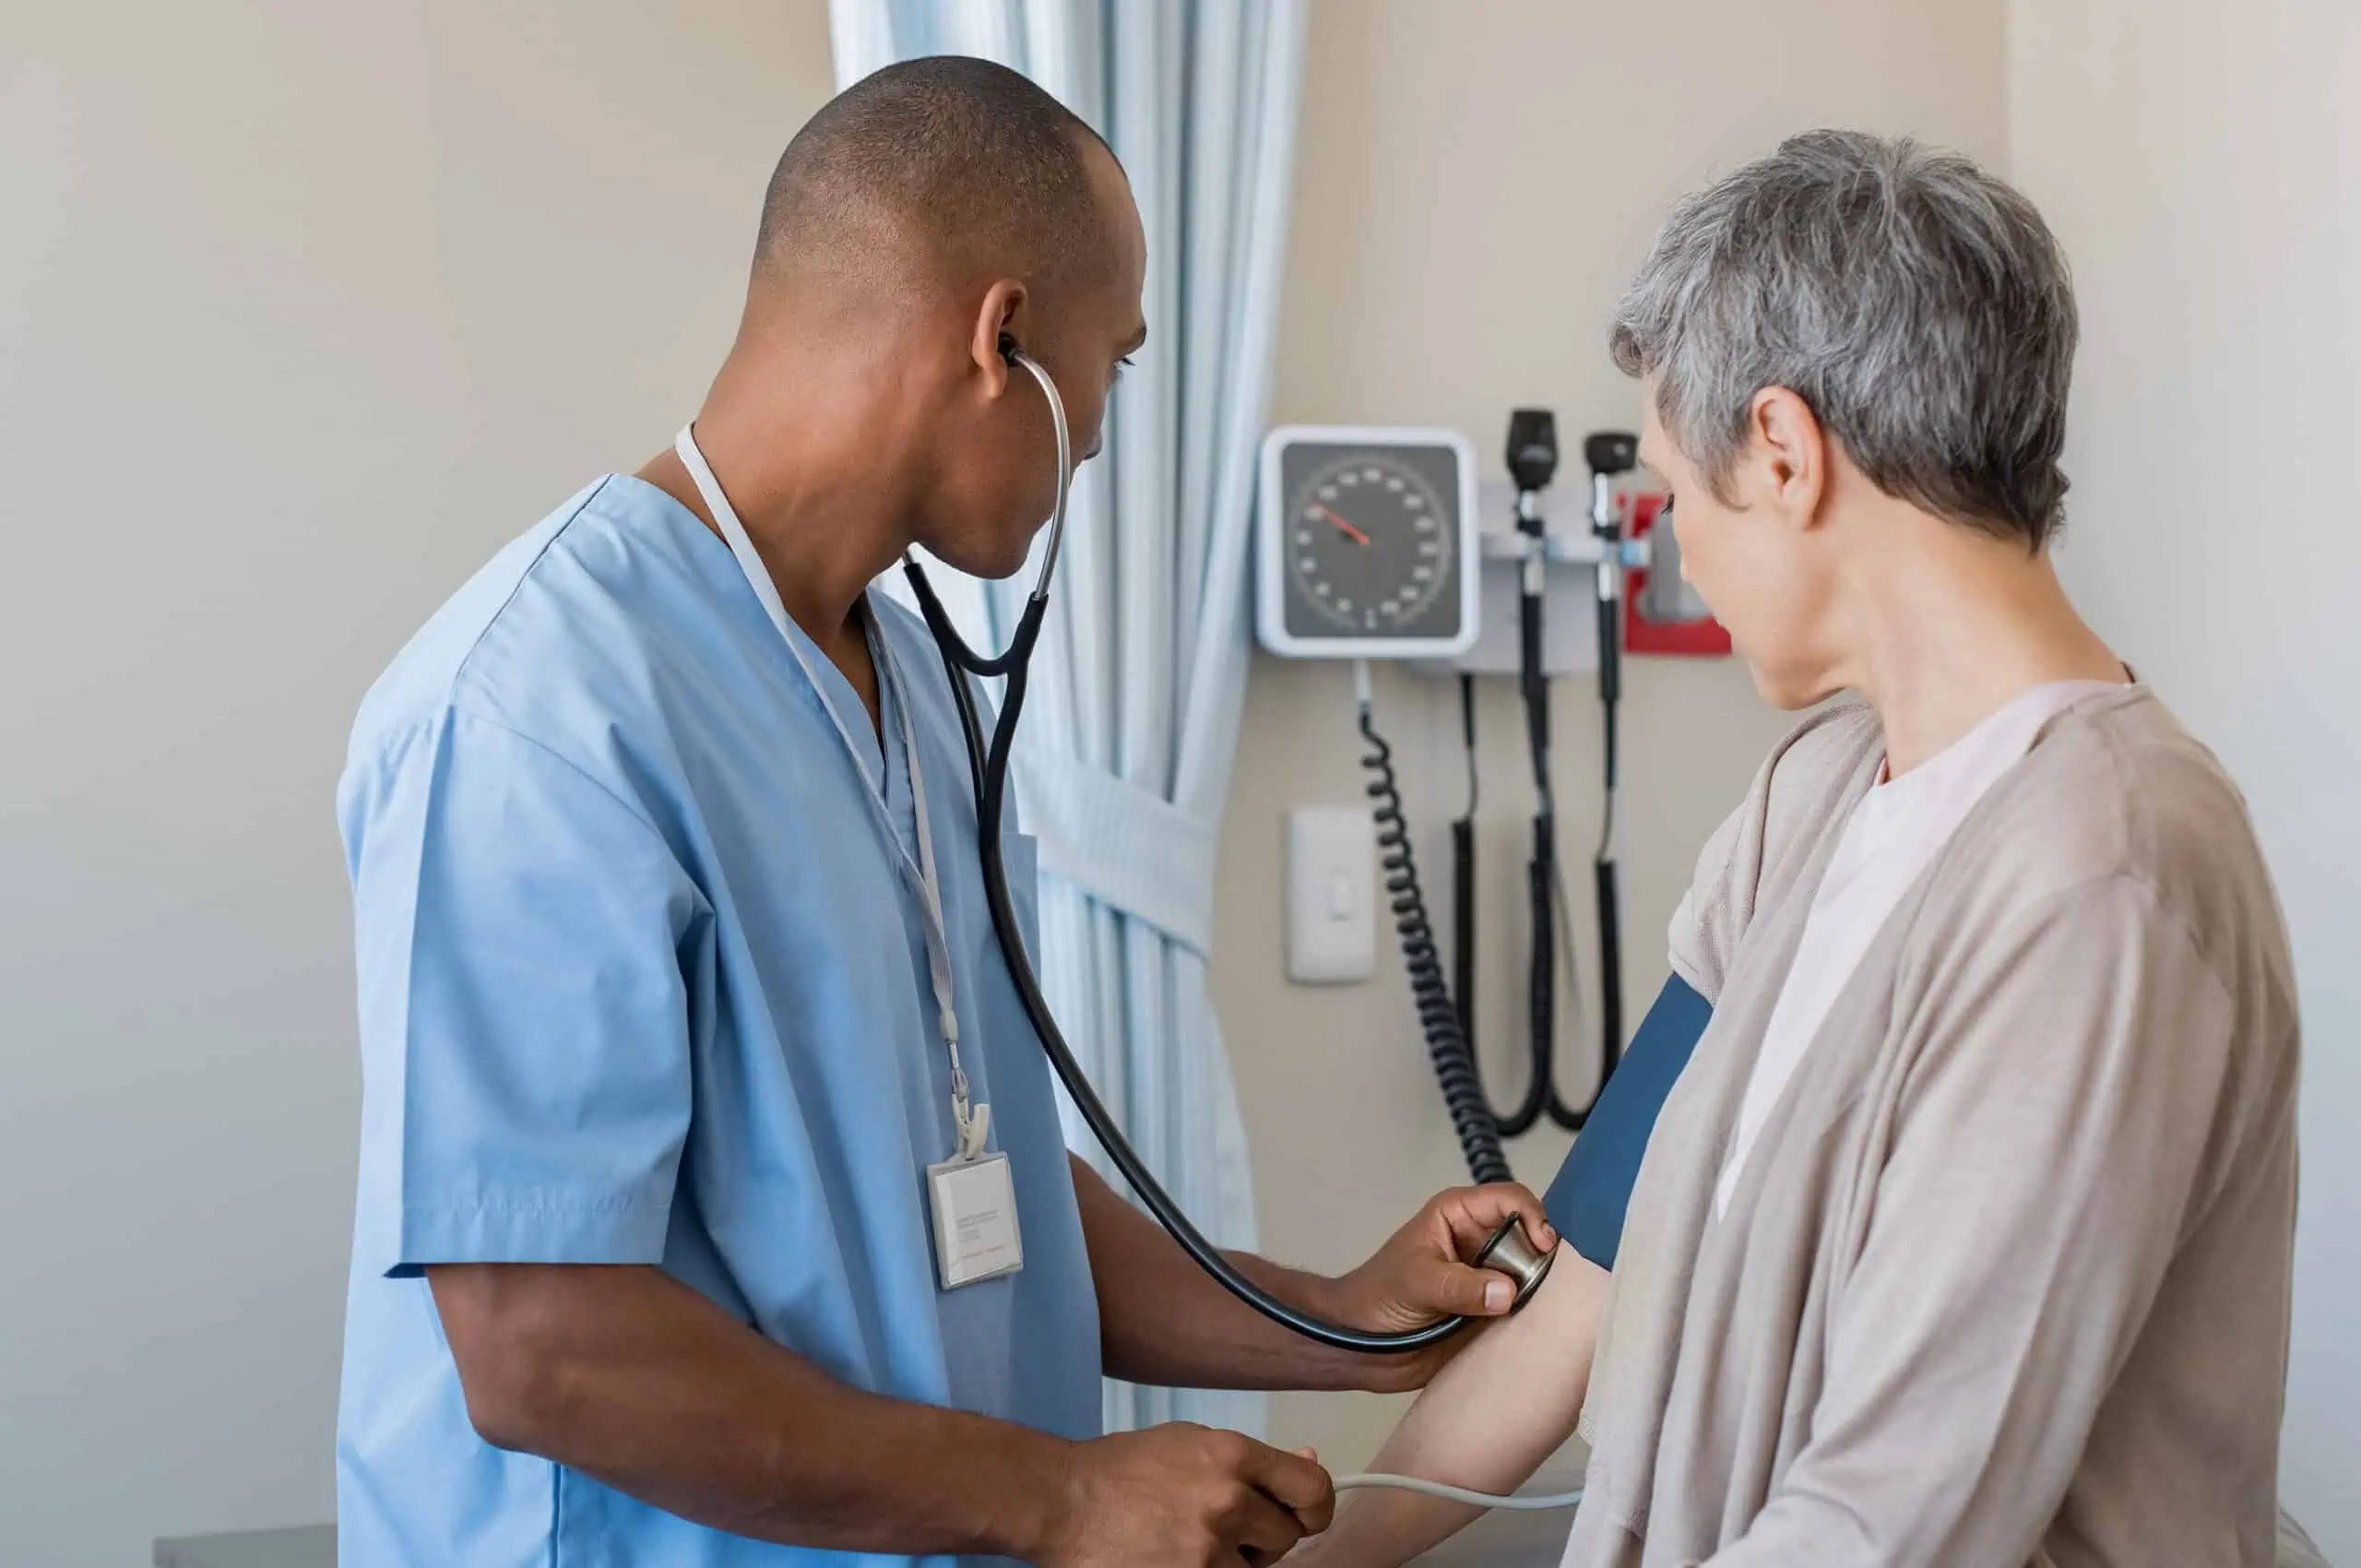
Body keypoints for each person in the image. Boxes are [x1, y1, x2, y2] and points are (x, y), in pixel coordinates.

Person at [335, 56, 1555, 1568]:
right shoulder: (538, 712)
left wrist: (1341, 1319)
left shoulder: (908, 678)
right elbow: (542, 1343)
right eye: (1112, 363)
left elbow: (973, 1187)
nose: (1100, 436)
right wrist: (1066, 1497)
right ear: (1004, 339)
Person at [1292, 130, 2299, 1568]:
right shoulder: (1813, 799)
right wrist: (1331, 1554)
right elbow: (1595, 1277)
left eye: (1675, 491)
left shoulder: (2104, 875)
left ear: (1781, 448)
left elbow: (1894, 1519)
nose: (1678, 548)